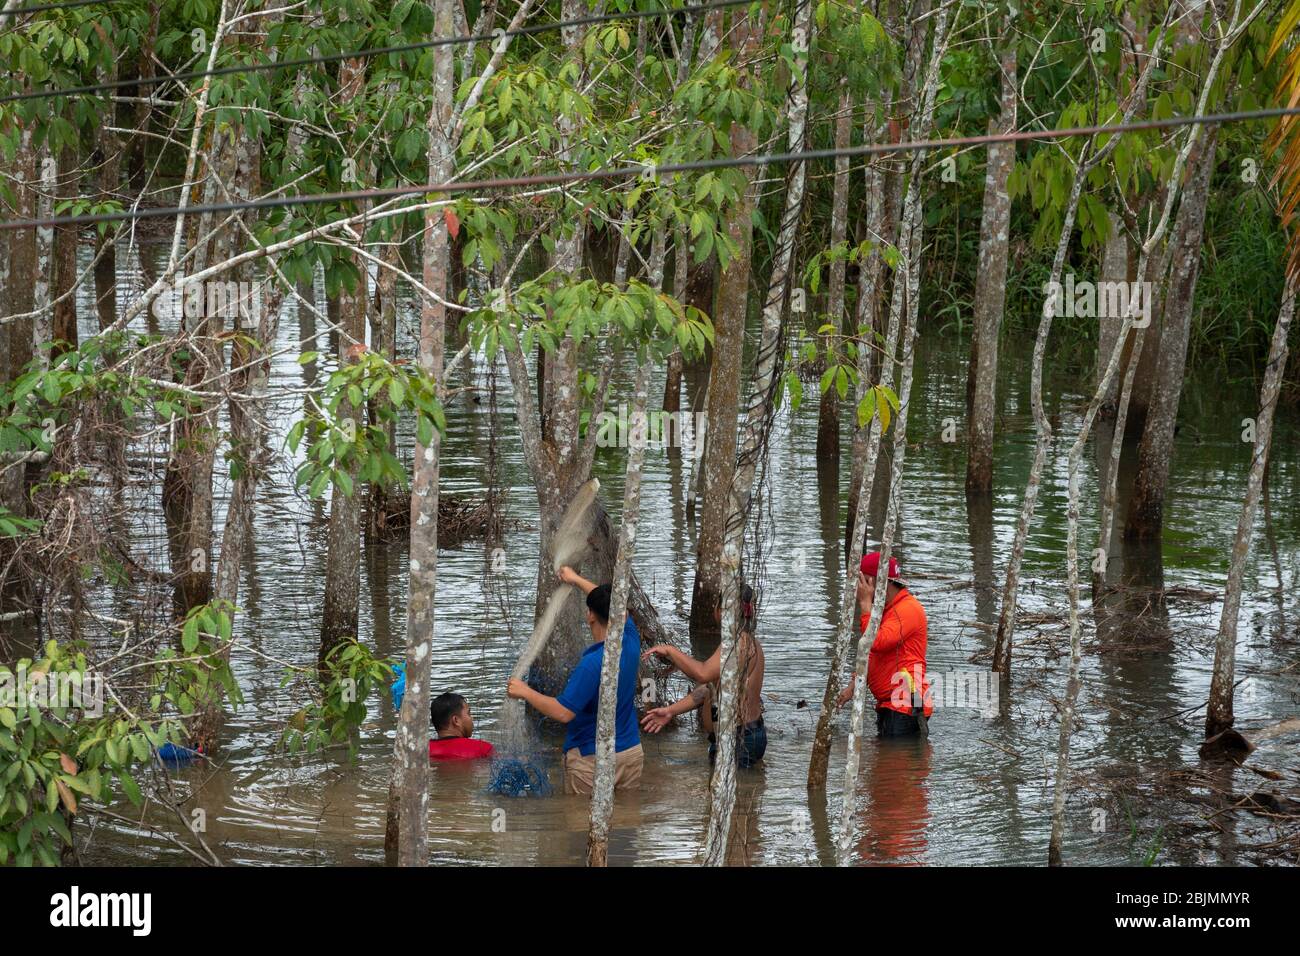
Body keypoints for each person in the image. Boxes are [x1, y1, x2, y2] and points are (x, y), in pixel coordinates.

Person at [506, 566, 644, 795]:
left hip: (591, 760)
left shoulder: (592, 663)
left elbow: (563, 713)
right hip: (630, 753)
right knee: (626, 825)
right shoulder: (630, 639)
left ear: (589, 614)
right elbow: (610, 605)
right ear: (621, 614)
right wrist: (577, 579)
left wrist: (525, 691)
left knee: (581, 825)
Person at [641, 585, 766, 767]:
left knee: (733, 794)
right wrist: (671, 711)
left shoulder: (738, 643)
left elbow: (702, 673)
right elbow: (708, 690)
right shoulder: (743, 641)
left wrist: (671, 650)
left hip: (739, 739)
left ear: (722, 611)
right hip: (740, 736)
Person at [836, 551, 932, 737]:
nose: (857, 588)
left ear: (876, 582)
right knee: (883, 764)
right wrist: (852, 687)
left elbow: (876, 642)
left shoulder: (907, 609)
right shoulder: (886, 610)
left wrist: (865, 604)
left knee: (896, 765)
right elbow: (872, 655)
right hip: (891, 705)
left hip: (905, 705)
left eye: (861, 581)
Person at [427, 692, 495, 759]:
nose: (472, 718)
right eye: (469, 713)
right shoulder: (483, 749)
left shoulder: (422, 750)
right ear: (456, 720)